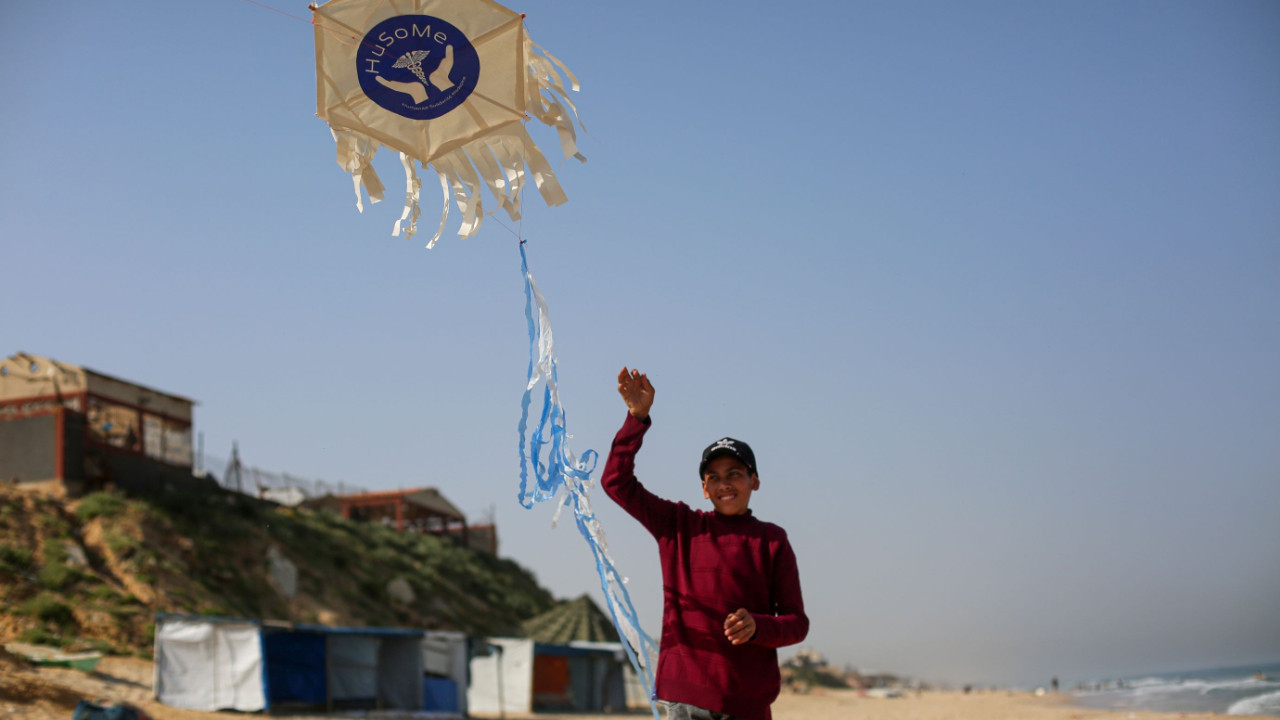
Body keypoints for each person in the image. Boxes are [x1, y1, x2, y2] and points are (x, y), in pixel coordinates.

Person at [602, 367, 809, 720]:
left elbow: (796, 623)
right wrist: (637, 419)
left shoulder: (772, 540)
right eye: (713, 477)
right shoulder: (679, 526)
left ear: (754, 481)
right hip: (684, 699)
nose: (724, 484)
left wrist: (759, 626)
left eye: (735, 474)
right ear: (704, 488)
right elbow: (615, 482)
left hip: (746, 703)